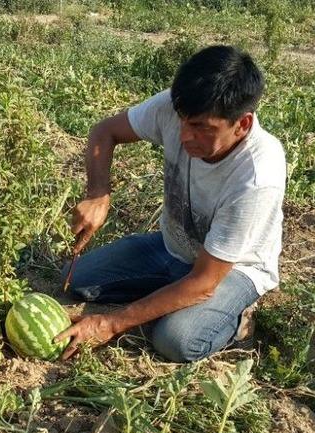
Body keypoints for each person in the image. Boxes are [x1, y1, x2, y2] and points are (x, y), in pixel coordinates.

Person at [55, 45, 286, 363]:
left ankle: (238, 317)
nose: (185, 135)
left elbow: (204, 281)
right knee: (77, 279)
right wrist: (98, 193)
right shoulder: (178, 106)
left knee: (175, 339)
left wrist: (111, 323)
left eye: (202, 127)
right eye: (182, 121)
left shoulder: (257, 177)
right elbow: (104, 132)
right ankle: (172, 292)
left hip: (232, 270)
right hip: (173, 248)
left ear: (242, 124)